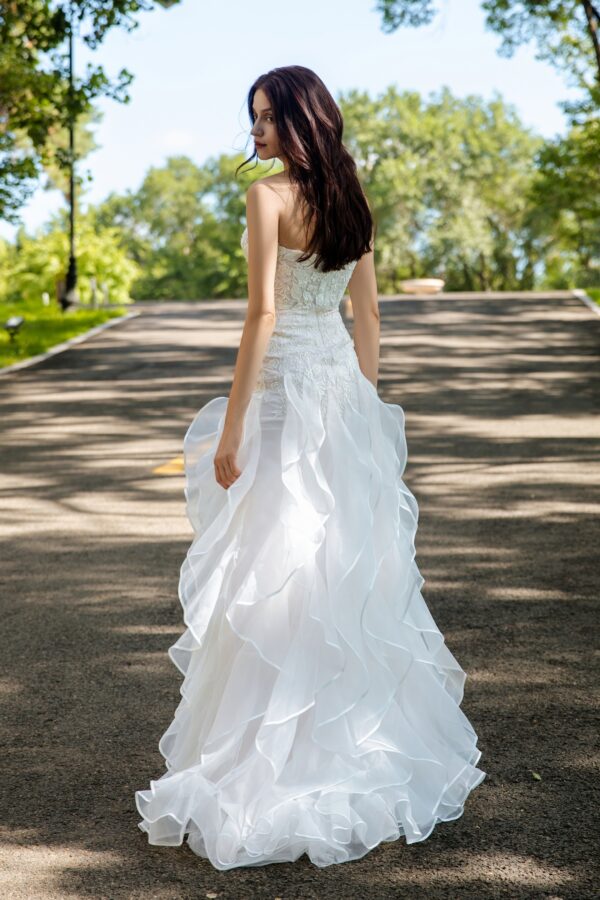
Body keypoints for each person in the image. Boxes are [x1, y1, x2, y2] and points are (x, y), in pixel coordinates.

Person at [134, 64, 486, 870]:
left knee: (277, 558)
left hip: (288, 393)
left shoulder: (267, 197)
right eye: (251, 117)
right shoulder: (349, 198)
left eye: (266, 117)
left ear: (301, 120)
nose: (254, 132)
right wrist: (364, 400)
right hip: (338, 394)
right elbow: (367, 316)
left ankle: (275, 755)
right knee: (336, 562)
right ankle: (347, 738)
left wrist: (230, 428)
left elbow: (261, 313)